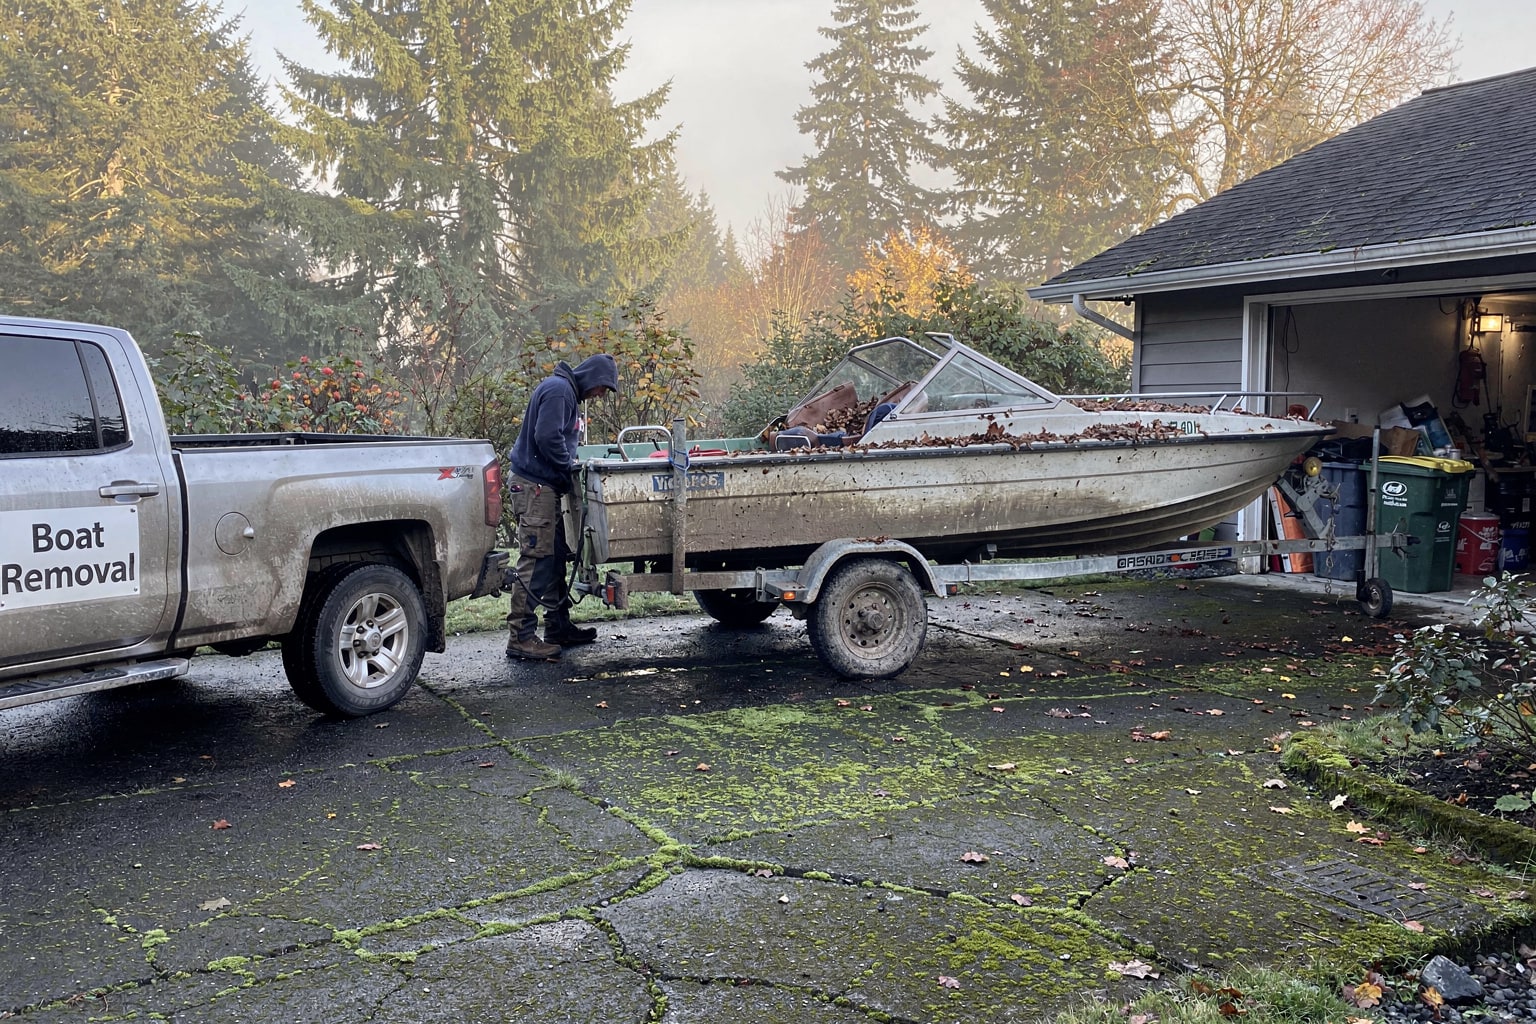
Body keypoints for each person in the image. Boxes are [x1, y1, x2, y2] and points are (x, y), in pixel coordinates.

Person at [505, 353, 619, 660]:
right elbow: (546, 437)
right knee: (537, 560)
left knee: (554, 558)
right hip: (534, 487)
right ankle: (520, 637)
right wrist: (567, 466)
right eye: (602, 389)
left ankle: (558, 626)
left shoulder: (563, 390)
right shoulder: (560, 391)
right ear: (593, 379)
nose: (599, 396)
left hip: (540, 485)